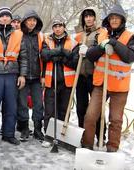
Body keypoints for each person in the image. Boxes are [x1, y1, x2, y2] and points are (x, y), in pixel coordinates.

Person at [82, 4, 134, 152]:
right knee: (90, 116)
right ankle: (87, 146)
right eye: (111, 18)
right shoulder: (101, 35)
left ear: (122, 20)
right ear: (108, 20)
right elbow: (91, 56)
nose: (114, 20)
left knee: (115, 120)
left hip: (119, 86)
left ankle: (112, 149)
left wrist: (114, 43)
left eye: (117, 18)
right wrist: (101, 47)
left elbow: (129, 57)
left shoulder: (130, 36)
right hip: (101, 84)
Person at [0, 7, 27, 146]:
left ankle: (8, 134)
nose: (4, 18)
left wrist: (22, 75)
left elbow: (23, 57)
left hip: (12, 75)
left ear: (11, 18)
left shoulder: (19, 35)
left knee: (11, 106)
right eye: (2, 16)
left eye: (7, 16)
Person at [75, 7, 106, 143]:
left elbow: (102, 50)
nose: (88, 19)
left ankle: (100, 136)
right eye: (86, 16)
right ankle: (83, 135)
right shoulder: (79, 35)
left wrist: (89, 50)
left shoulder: (102, 33)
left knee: (96, 110)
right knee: (81, 107)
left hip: (95, 77)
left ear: (95, 18)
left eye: (91, 16)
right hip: (81, 76)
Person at [41, 19, 79, 132]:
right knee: (49, 111)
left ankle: (62, 135)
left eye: (60, 26)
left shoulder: (73, 42)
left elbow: (75, 62)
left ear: (64, 27)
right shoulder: (47, 41)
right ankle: (49, 135)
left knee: (63, 111)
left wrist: (62, 57)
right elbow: (44, 55)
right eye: (55, 26)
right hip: (51, 82)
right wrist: (61, 52)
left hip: (67, 83)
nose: (57, 29)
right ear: (52, 28)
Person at [17, 9, 45, 142]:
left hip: (36, 77)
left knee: (38, 104)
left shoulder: (41, 36)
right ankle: (24, 129)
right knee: (22, 104)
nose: (32, 23)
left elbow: (44, 57)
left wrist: (43, 75)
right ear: (25, 21)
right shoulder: (18, 35)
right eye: (29, 20)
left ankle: (38, 129)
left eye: (34, 20)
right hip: (22, 76)